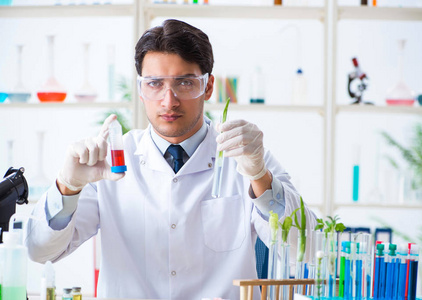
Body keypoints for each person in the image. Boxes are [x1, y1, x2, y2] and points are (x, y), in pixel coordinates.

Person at [26, 19, 317, 300]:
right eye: (154, 84)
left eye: (184, 83)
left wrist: (260, 179)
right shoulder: (110, 161)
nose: (169, 100)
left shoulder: (248, 156)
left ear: (208, 86)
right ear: (141, 89)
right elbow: (40, 251)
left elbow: (306, 249)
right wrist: (67, 187)